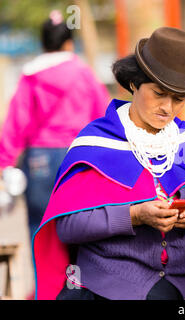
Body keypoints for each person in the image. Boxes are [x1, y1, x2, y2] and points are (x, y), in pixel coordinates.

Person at [32, 27, 185, 300]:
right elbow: (68, 227)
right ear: (134, 84)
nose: (167, 107)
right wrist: (134, 215)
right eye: (158, 93)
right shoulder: (95, 144)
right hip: (111, 290)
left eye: (179, 98)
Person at [0, 10, 110, 242]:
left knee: (40, 229)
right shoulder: (84, 74)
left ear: (43, 43)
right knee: (82, 224)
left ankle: (43, 279)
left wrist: (5, 162)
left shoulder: (30, 75)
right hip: (78, 155)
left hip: (38, 159)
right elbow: (103, 115)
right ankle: (76, 278)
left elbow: (16, 121)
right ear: (69, 44)